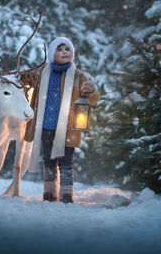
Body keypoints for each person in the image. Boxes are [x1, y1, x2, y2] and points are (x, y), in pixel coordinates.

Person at [19, 37, 99, 203]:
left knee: (65, 162)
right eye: (60, 49)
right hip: (46, 126)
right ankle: (49, 194)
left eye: (67, 49)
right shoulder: (41, 73)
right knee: (48, 160)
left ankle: (66, 195)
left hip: (67, 128)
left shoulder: (77, 76)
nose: (64, 52)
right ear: (51, 54)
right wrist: (17, 75)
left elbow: (94, 97)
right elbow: (22, 78)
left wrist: (90, 90)